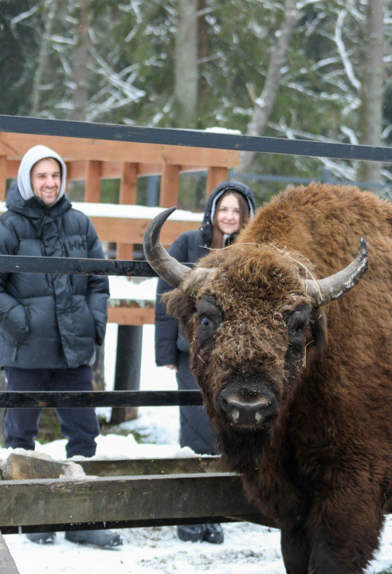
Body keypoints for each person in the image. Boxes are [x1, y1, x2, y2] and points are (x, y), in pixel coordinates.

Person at [0, 145, 121, 549]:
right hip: (25, 349)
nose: (50, 183)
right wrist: (22, 324)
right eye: (41, 176)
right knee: (21, 434)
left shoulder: (80, 224)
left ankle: (82, 518)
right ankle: (31, 515)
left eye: (55, 175)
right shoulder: (7, 227)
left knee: (84, 432)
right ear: (27, 180)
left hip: (73, 347)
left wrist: (94, 324)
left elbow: (98, 282)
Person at [154, 180, 256, 544]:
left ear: (246, 217)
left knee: (225, 436)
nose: (229, 216)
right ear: (212, 212)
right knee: (194, 431)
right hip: (192, 355)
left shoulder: (251, 251)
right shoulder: (186, 244)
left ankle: (215, 515)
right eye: (224, 209)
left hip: (235, 363)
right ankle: (189, 515)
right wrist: (166, 352)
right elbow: (165, 300)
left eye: (237, 211)